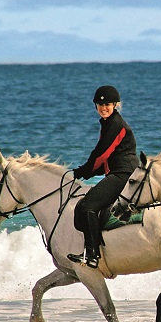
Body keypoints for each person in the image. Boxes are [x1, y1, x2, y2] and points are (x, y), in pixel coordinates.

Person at [67, 85, 138, 268]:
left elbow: (101, 154)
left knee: (88, 206)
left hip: (124, 174)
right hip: (119, 171)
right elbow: (110, 157)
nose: (103, 107)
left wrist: (85, 170)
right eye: (100, 104)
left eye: (107, 104)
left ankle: (92, 255)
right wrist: (90, 171)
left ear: (115, 105)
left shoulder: (115, 124)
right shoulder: (109, 123)